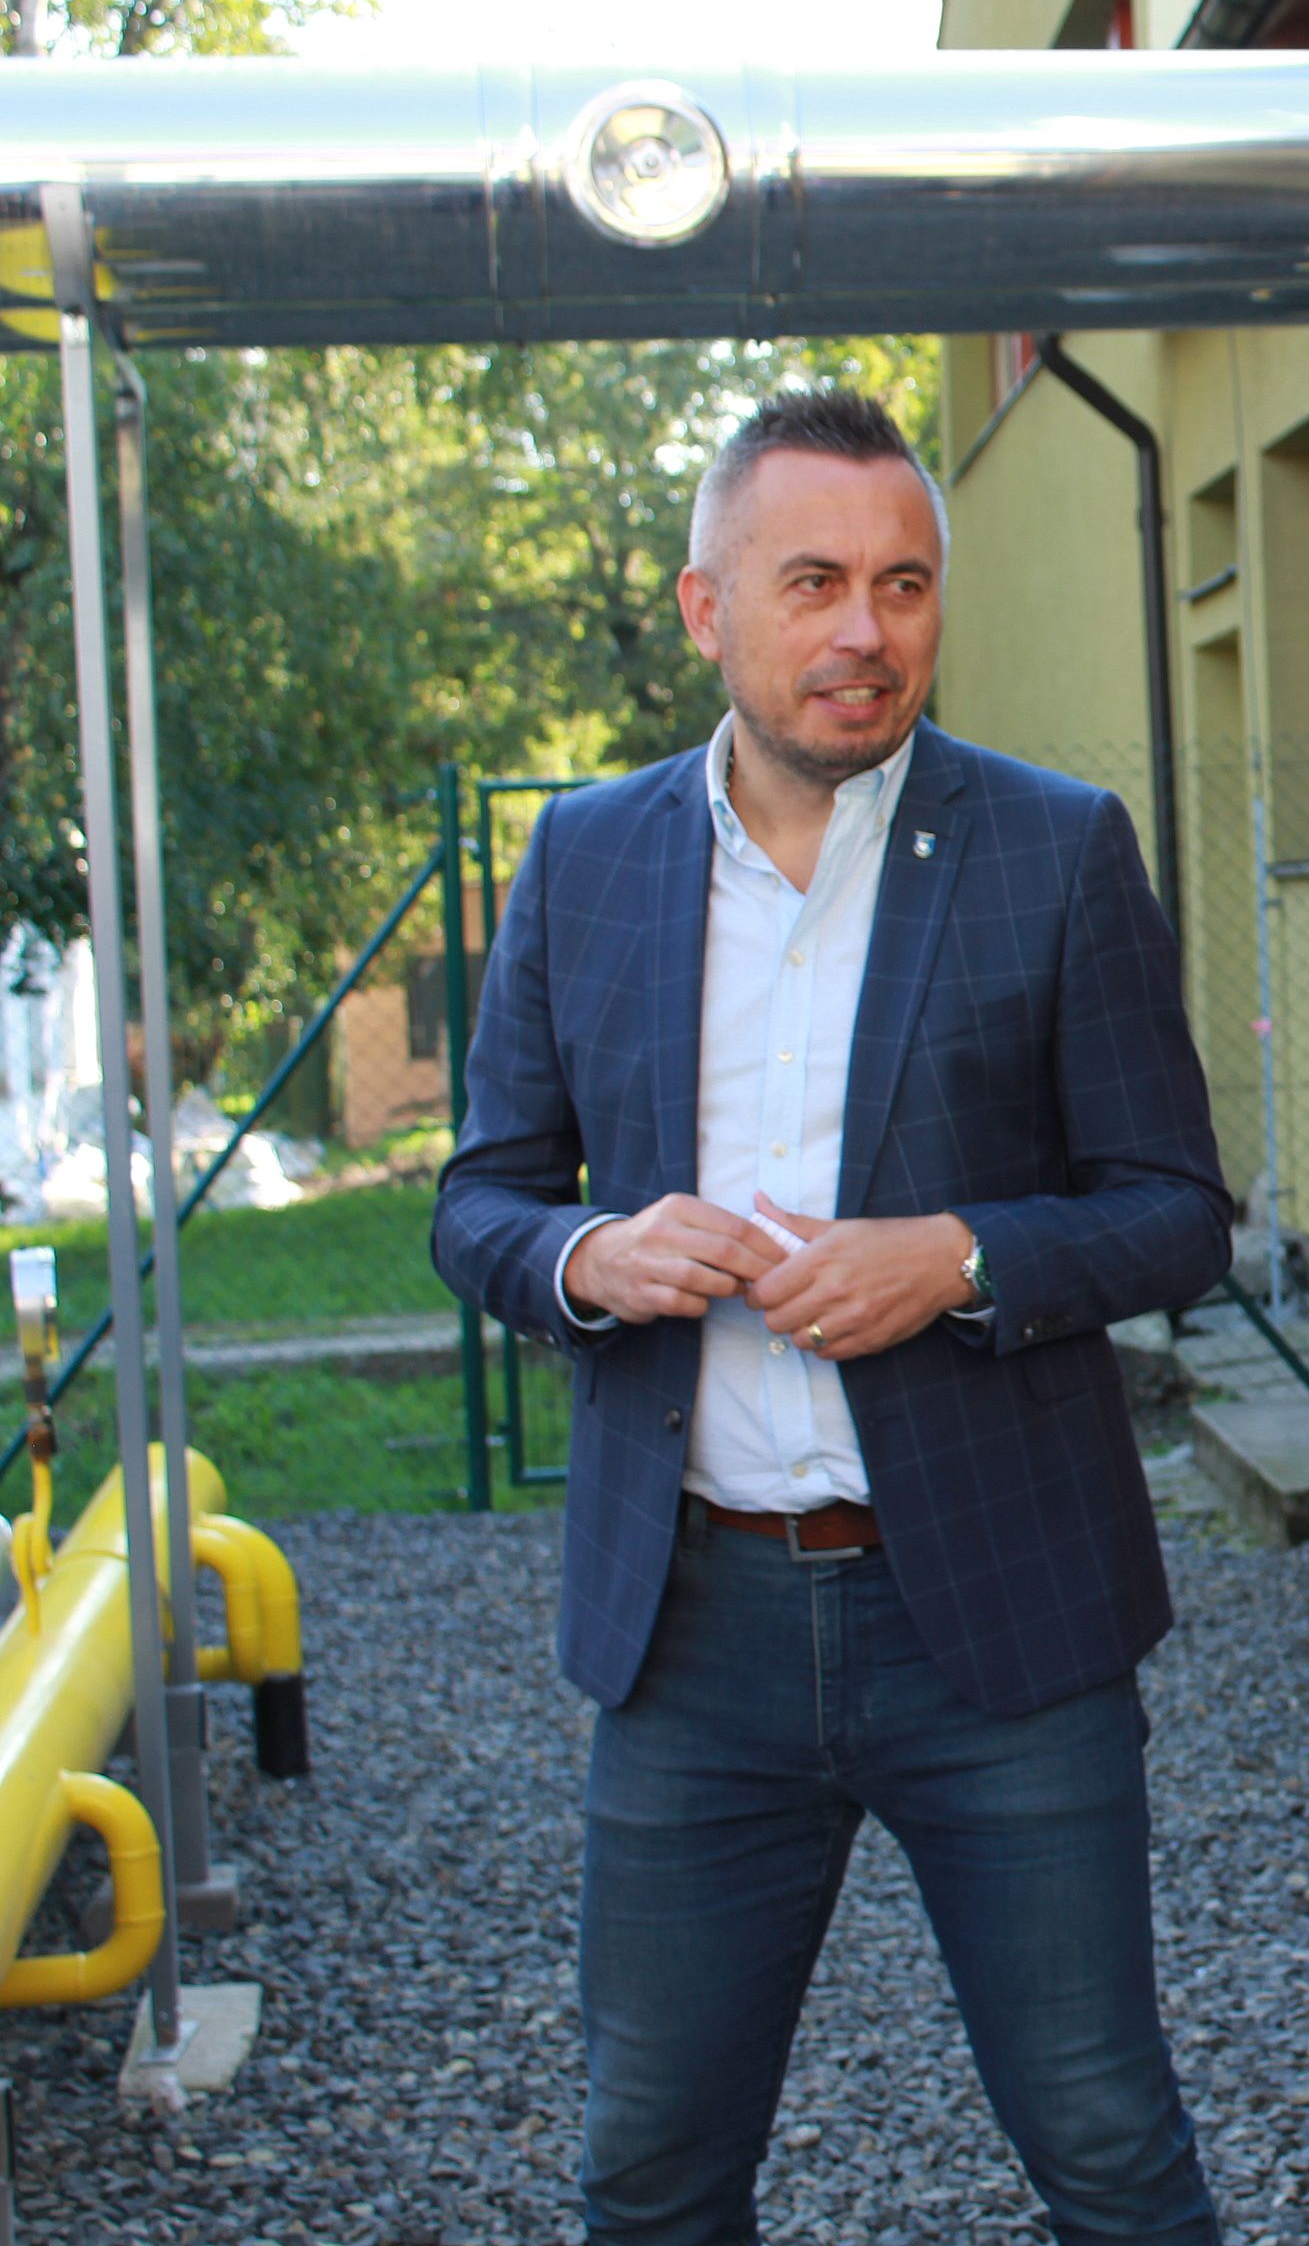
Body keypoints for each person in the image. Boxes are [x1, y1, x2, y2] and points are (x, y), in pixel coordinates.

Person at [431, 388, 1230, 2246]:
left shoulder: (1052, 848)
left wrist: (956, 1261)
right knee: (648, 2173)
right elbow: (479, 1201)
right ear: (707, 610)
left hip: (999, 1624)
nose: (865, 630)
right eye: (813, 582)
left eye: (903, 584)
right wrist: (591, 1259)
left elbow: (1176, 1213)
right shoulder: (588, 860)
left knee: (1109, 2153)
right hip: (691, 1628)